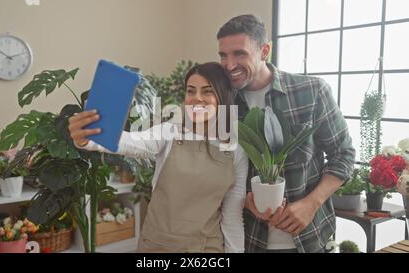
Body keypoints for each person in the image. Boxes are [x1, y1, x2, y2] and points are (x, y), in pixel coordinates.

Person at [68, 62, 247, 253]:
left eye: (207, 91)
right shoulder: (170, 131)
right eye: (191, 91)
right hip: (158, 246)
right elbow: (133, 141)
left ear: (222, 96)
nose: (197, 99)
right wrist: (88, 139)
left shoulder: (236, 150)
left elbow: (232, 217)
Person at [216, 14, 356, 253]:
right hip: (249, 241)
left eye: (239, 53)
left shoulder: (311, 92)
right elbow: (219, 168)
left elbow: (344, 155)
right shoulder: (223, 104)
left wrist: (312, 203)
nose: (229, 65)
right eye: (223, 55)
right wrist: (245, 199)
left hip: (309, 238)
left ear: (264, 51)